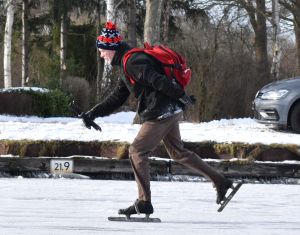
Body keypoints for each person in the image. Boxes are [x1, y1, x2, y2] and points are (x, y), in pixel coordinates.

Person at [81, 21, 233, 217]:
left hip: (161, 111)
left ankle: (144, 202)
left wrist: (180, 95)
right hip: (170, 109)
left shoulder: (132, 62)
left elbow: (157, 79)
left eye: (102, 51)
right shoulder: (128, 63)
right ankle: (220, 181)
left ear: (111, 48)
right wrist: (93, 113)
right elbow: (118, 97)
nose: (101, 55)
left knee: (136, 151)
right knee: (178, 152)